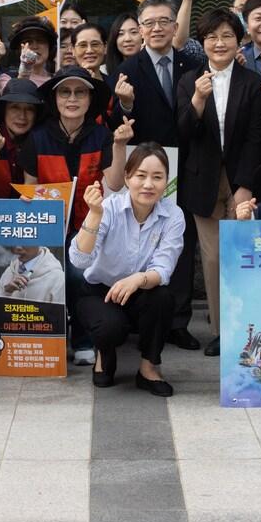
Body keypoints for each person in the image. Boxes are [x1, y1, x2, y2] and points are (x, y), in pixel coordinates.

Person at [111, 0, 205, 349]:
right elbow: (114, 123)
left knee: (180, 241)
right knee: (138, 240)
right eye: (148, 23)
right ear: (139, 29)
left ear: (175, 25)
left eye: (163, 21)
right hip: (145, 169)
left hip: (186, 165)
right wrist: (125, 104)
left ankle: (178, 321)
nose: (156, 29)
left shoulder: (192, 65)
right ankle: (138, 316)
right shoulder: (128, 69)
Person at [21, 67, 131, 365]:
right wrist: (28, 200)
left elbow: (116, 183)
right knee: (45, 275)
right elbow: (29, 189)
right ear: (54, 98)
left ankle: (83, 339)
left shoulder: (102, 136)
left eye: (80, 92)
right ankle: (48, 339)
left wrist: (120, 145)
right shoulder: (37, 138)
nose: (72, 99)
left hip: (89, 226)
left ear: (90, 99)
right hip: (49, 227)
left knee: (79, 274)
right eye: (65, 92)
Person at [176, 9, 261, 357]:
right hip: (202, 181)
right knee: (212, 259)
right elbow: (184, 133)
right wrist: (198, 100)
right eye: (212, 37)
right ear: (203, 42)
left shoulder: (252, 82)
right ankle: (221, 331)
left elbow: (256, 138)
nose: (219, 43)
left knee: (242, 255)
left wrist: (245, 184)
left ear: (239, 40)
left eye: (227, 35)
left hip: (240, 177)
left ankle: (249, 325)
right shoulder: (189, 81)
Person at [69, 148, 185, 397]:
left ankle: (148, 368)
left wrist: (137, 279)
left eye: (157, 177)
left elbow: (163, 268)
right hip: (100, 292)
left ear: (167, 181)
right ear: (127, 178)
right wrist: (94, 214)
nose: (148, 184)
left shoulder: (173, 215)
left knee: (163, 298)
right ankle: (104, 353)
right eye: (140, 175)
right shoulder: (109, 208)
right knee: (110, 328)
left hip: (142, 291)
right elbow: (79, 260)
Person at [0, 246, 65, 304]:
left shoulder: (57, 278)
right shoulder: (11, 270)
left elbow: (58, 316)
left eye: (25, 241)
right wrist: (6, 292)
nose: (18, 247)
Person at [0, 17, 56, 91]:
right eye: (28, 41)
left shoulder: (58, 80)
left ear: (49, 47)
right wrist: (24, 72)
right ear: (19, 48)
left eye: (40, 40)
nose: (35, 46)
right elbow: (12, 97)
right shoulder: (8, 78)